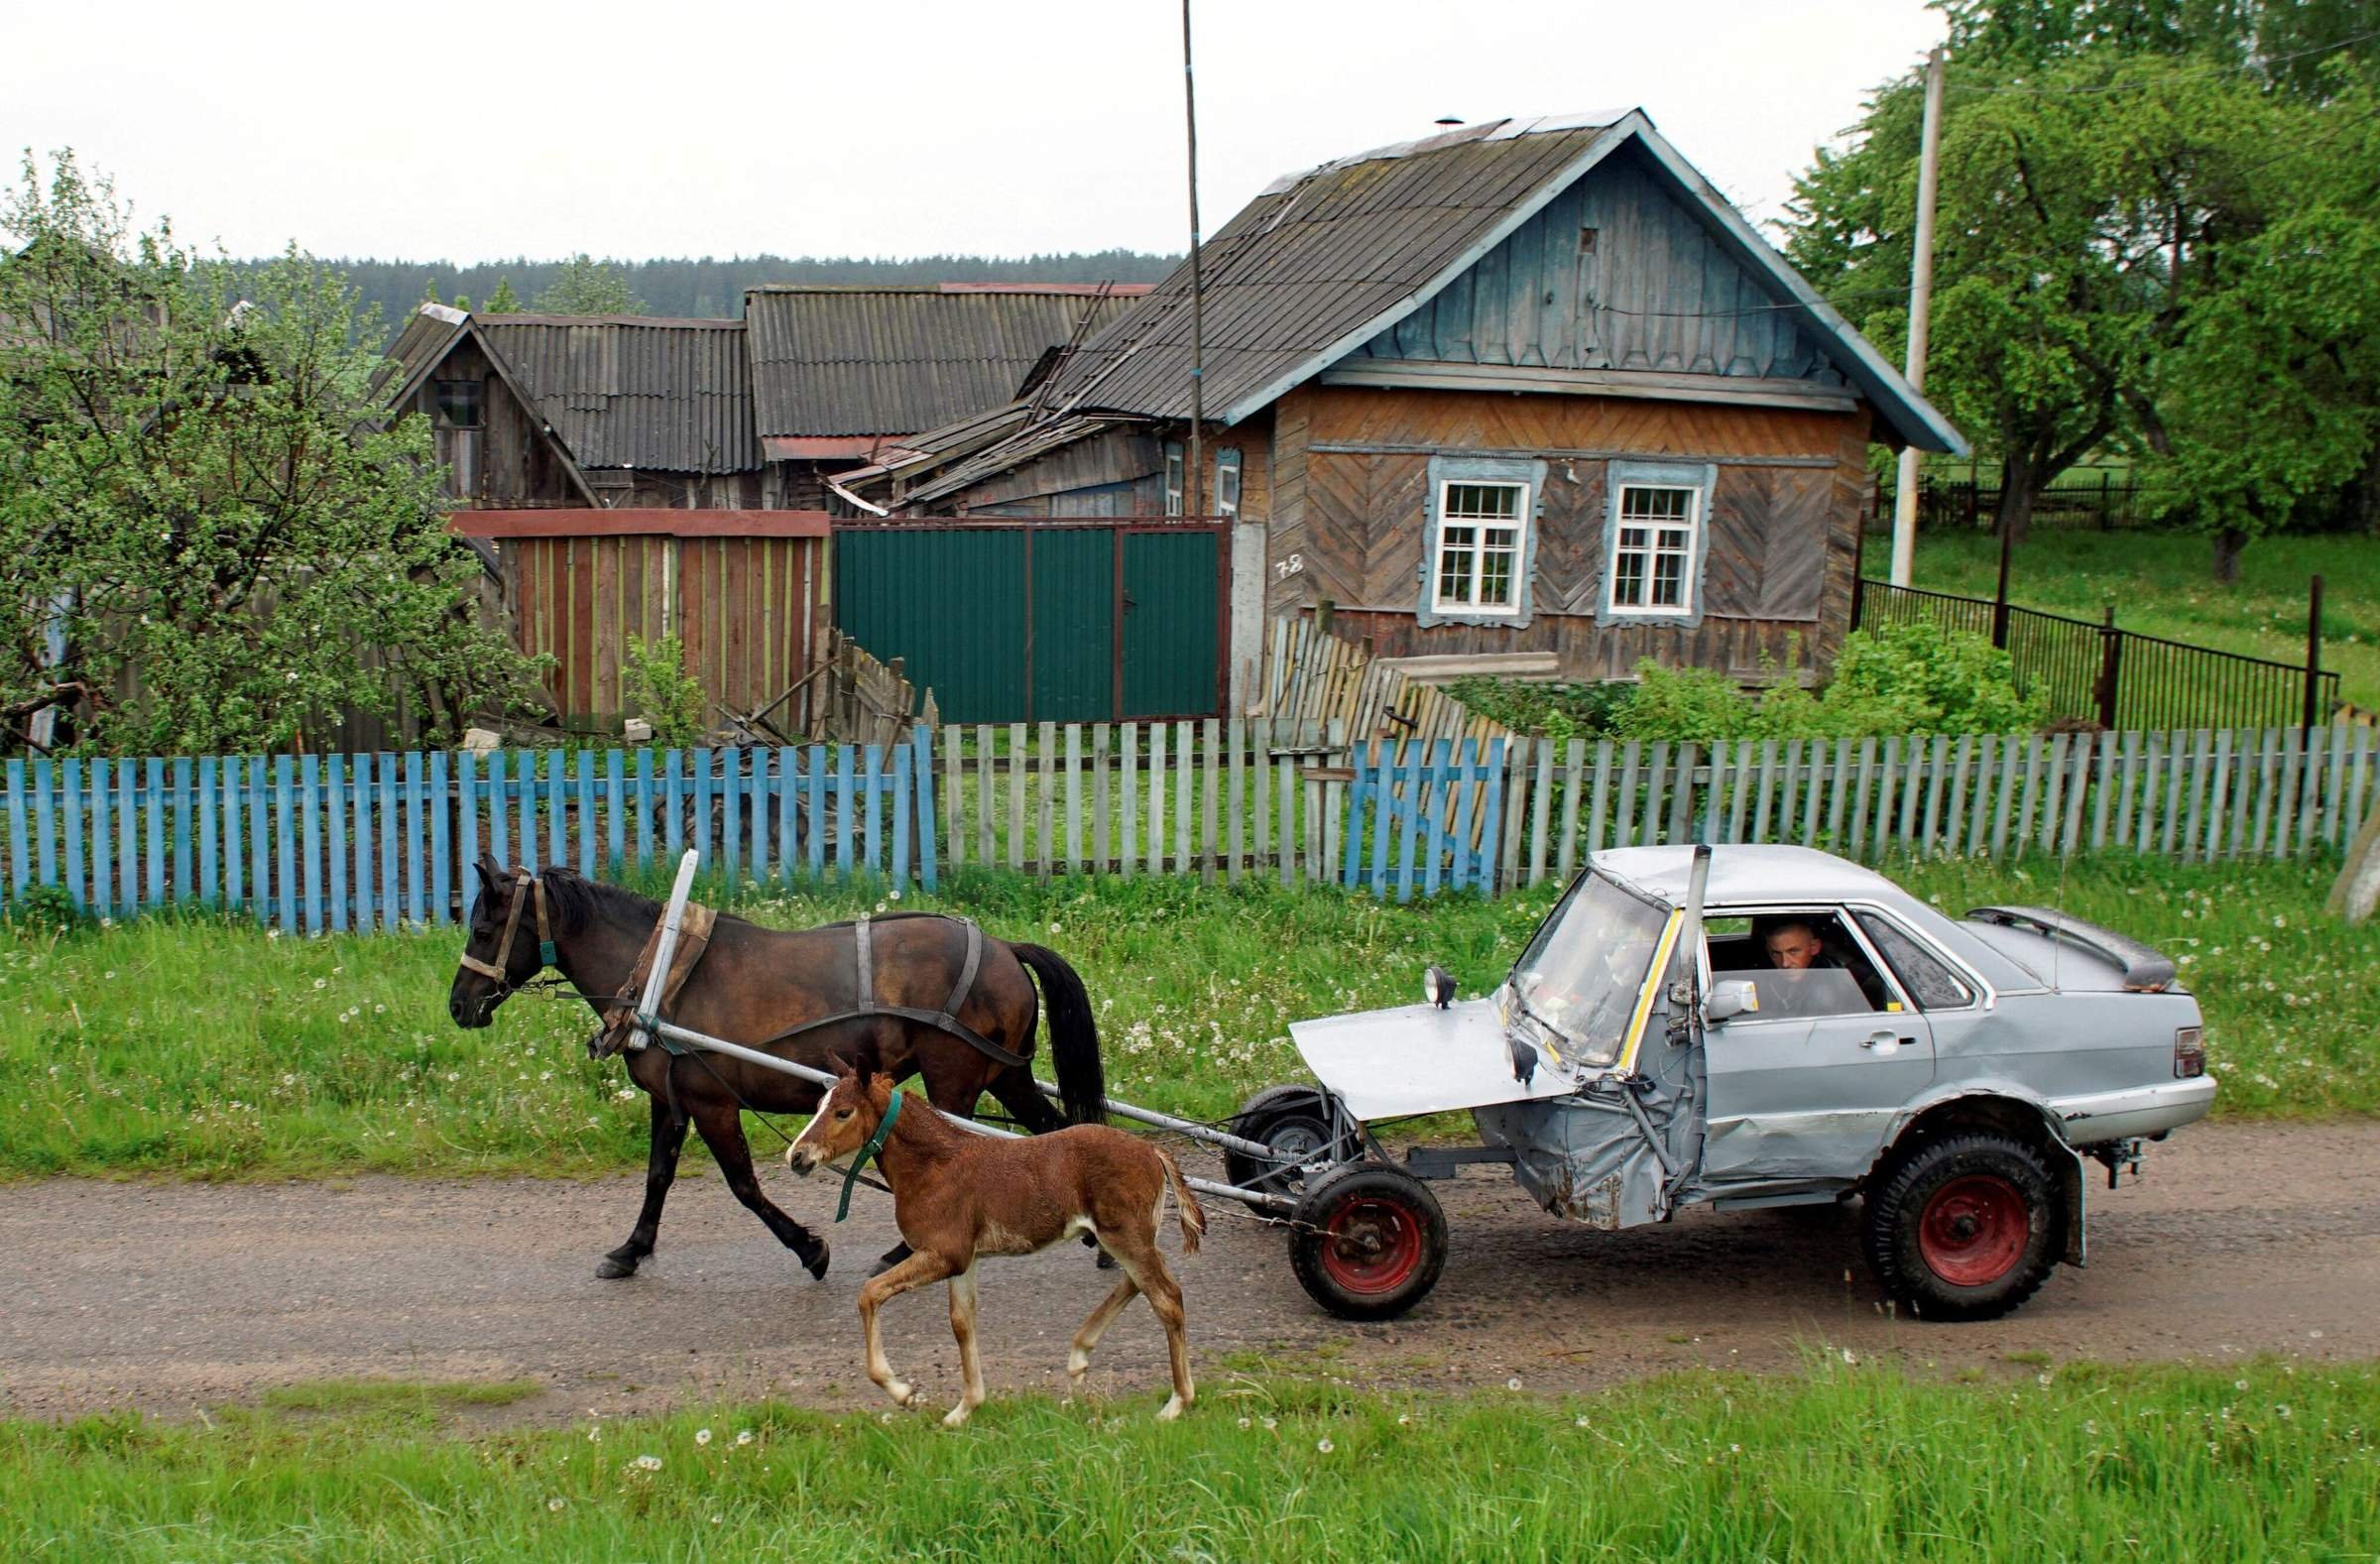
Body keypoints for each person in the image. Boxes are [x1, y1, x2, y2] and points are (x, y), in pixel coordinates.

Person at [1757, 916, 1889, 1011]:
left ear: (1814, 947)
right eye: (1776, 953)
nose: (1785, 963)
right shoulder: (1774, 980)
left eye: (1793, 952)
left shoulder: (1824, 995)